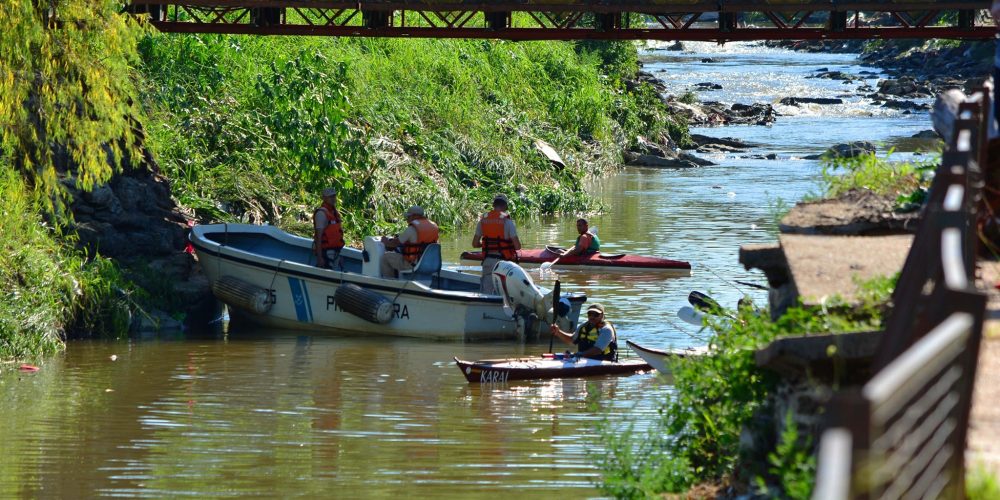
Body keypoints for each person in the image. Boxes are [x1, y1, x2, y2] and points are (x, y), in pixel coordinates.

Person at [472, 194, 521, 294]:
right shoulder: (508, 222)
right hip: (504, 264)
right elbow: (517, 246)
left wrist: (486, 244)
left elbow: (474, 244)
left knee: (487, 293)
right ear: (505, 206)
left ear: (493, 205)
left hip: (488, 261)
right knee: (505, 293)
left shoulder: (483, 220)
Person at [380, 205, 439, 279]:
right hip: (432, 264)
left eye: (408, 217)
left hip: (413, 265)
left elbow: (394, 244)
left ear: (414, 216)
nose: (407, 219)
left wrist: (385, 241)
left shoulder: (412, 229)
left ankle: (390, 284)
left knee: (386, 257)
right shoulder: (434, 227)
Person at [549, 303, 617, 361]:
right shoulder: (583, 326)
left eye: (596, 314)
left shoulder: (606, 329)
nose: (592, 317)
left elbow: (598, 349)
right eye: (590, 314)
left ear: (602, 315)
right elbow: (572, 340)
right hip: (583, 359)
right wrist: (558, 332)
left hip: (604, 361)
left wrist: (581, 354)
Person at [313, 187, 344, 270]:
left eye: (334, 196)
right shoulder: (321, 214)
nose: (333, 199)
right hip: (326, 252)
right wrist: (320, 258)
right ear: (324, 198)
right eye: (330, 197)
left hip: (335, 251)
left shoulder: (334, 213)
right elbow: (318, 238)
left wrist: (339, 256)